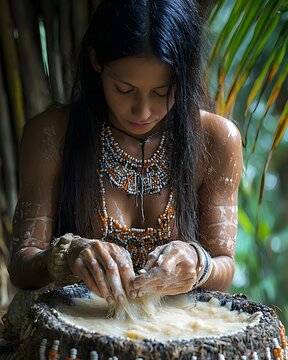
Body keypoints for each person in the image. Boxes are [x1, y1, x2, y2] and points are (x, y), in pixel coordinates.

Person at [8, 0, 242, 307]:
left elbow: (224, 262)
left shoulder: (216, 139)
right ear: (95, 62)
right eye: (124, 88)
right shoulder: (52, 135)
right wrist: (68, 254)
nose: (143, 110)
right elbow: (21, 265)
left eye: (162, 92)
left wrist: (199, 264)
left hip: (177, 336)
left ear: (184, 76)